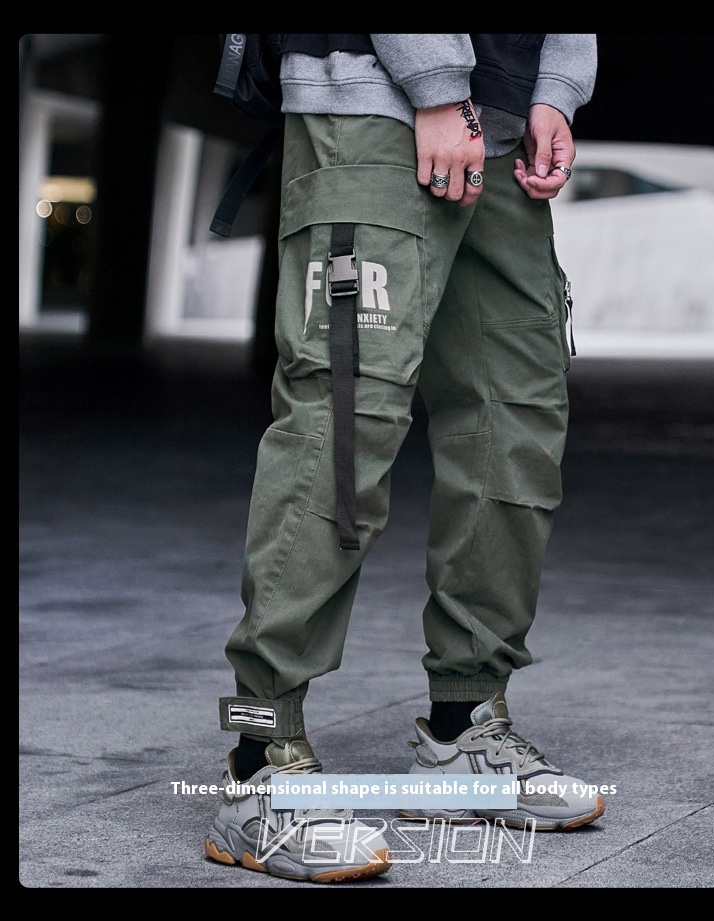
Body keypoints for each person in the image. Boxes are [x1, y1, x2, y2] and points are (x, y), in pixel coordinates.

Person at [205, 33, 600, 884]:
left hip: (502, 118)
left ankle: (463, 729)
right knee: (347, 419)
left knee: (513, 420)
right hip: (373, 100)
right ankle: (258, 758)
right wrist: (437, 84)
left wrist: (556, 89)